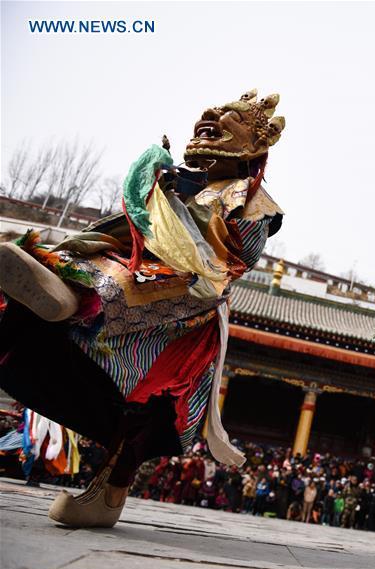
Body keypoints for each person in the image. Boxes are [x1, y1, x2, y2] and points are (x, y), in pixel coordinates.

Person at [0, 89, 286, 528]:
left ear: (255, 144)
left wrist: (179, 211)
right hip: (138, 260)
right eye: (211, 110)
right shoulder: (183, 181)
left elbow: (231, 260)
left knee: (130, 334)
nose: (210, 115)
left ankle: (72, 300)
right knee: (88, 261)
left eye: (230, 116)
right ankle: (54, 283)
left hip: (186, 301)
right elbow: (134, 226)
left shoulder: (250, 202)